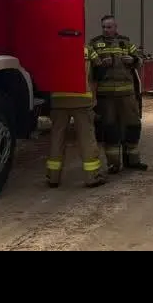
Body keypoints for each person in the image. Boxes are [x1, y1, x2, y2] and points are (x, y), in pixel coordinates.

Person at [90, 15, 147, 173]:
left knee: (133, 126)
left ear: (116, 27)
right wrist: (101, 66)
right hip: (106, 97)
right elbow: (89, 68)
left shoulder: (126, 42)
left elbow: (140, 58)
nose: (106, 30)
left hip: (127, 94)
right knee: (110, 129)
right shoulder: (95, 44)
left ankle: (133, 161)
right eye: (104, 27)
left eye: (109, 27)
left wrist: (133, 60)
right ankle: (113, 165)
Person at [46, 44, 106, 188]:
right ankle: (92, 177)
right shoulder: (86, 49)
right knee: (87, 139)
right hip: (82, 100)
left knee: (57, 138)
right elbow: (100, 70)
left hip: (58, 99)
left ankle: (53, 178)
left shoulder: (52, 46)